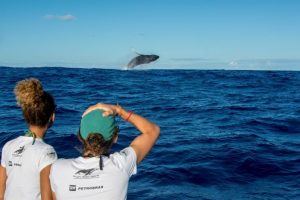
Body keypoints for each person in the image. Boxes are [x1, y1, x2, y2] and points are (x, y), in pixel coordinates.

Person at [50, 103, 160, 200]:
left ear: (79, 137)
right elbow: (153, 131)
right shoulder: (121, 165)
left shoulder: (57, 169)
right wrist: (119, 111)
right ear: (115, 137)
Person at [0, 78, 57, 200]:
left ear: (26, 115)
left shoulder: (8, 146)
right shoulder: (47, 152)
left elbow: (1, 193)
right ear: (52, 117)